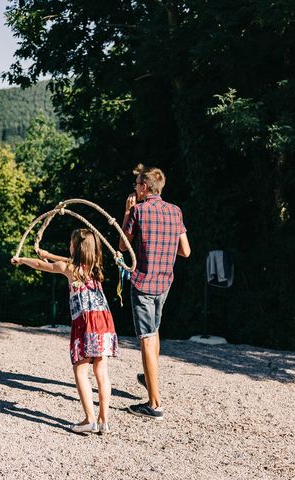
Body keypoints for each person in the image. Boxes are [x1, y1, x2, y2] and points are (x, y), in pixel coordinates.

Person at [11, 228, 118, 434]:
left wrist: (22, 259)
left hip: (86, 322)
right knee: (101, 372)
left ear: (76, 247)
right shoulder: (95, 265)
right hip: (104, 320)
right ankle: (104, 420)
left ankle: (89, 419)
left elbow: (44, 266)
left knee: (80, 370)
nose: (69, 246)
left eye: (71, 242)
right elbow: (61, 260)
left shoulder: (69, 268)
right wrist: (49, 254)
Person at [119, 163, 191, 420]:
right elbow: (186, 251)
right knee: (154, 331)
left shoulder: (138, 211)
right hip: (165, 282)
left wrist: (127, 213)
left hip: (143, 283)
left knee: (146, 337)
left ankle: (154, 404)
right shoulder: (175, 211)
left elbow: (122, 245)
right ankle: (150, 379)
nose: (135, 188)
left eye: (137, 184)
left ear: (145, 187)